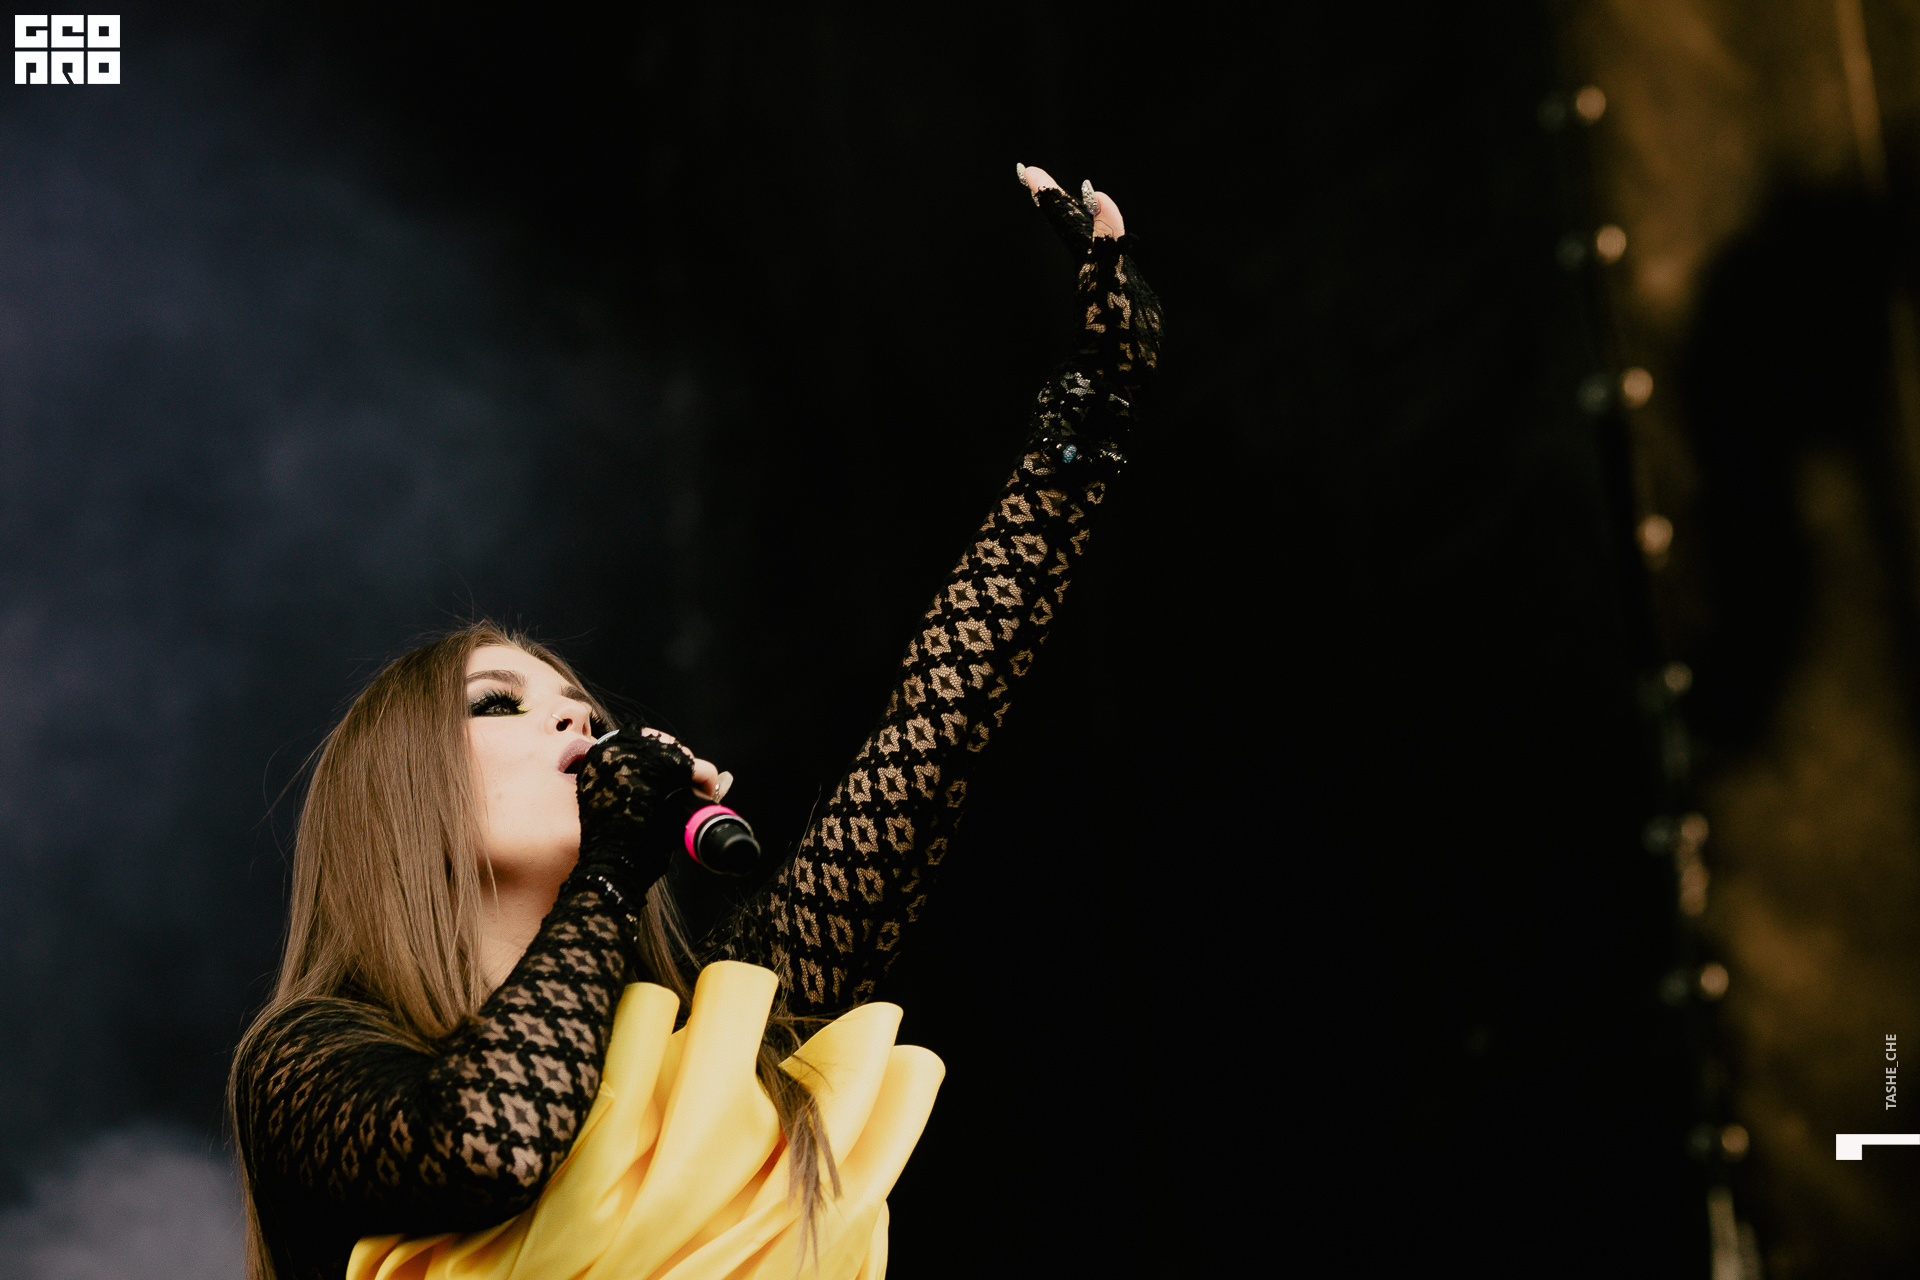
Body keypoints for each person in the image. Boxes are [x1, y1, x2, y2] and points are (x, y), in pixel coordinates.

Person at [229, 163, 1163, 1280]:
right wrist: (613, 867)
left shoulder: (704, 1048)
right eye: (501, 703)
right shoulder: (306, 1055)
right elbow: (484, 1144)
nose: (574, 722)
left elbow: (934, 726)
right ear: (396, 792)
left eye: (582, 709)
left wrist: (1089, 414)